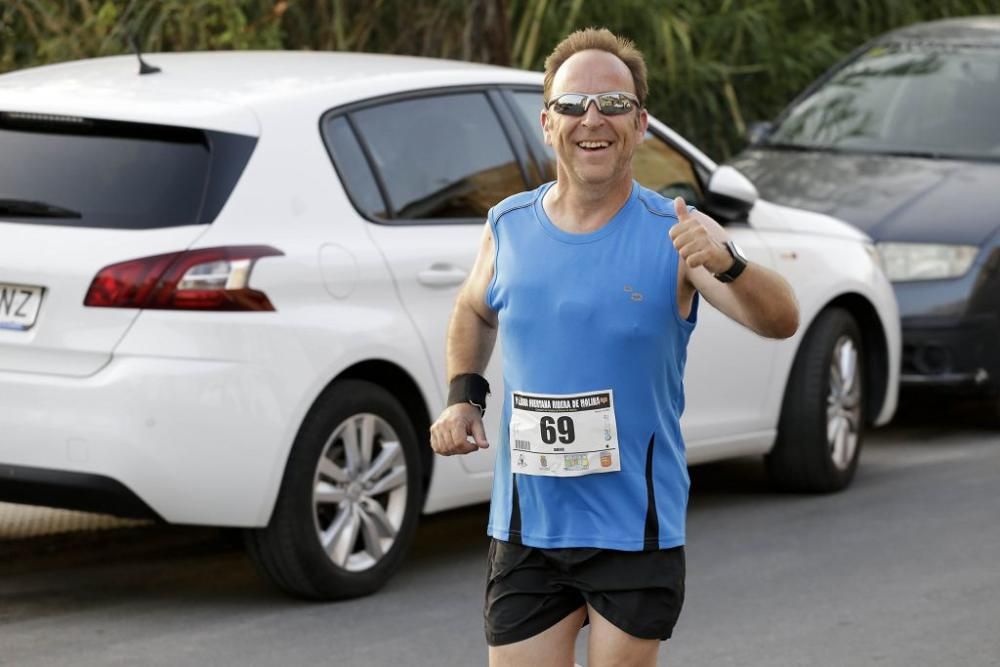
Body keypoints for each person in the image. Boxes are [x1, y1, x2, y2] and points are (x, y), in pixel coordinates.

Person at [430, 27, 799, 667]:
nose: (592, 120)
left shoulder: (677, 234)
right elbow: (471, 308)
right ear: (548, 123)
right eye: (573, 106)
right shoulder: (508, 226)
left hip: (634, 525)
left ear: (642, 123)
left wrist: (730, 263)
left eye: (614, 105)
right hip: (527, 524)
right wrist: (464, 396)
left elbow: (781, 320)